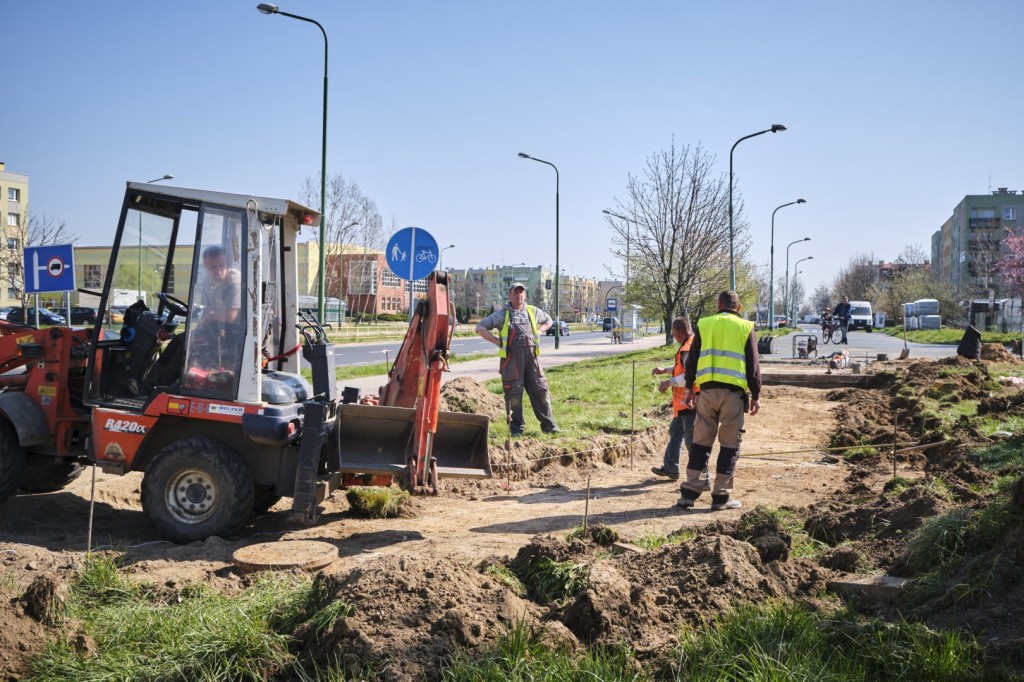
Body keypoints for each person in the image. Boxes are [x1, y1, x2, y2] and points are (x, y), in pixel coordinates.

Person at [678, 290, 762, 511]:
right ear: (739, 307)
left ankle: (689, 493)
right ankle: (720, 497)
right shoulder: (745, 327)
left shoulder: (704, 324)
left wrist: (688, 389)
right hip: (733, 395)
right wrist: (756, 395)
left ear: (718, 305)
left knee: (700, 443)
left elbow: (692, 361)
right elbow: (753, 365)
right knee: (729, 445)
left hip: (705, 392)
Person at [476, 282, 560, 437]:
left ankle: (549, 426)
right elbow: (480, 327)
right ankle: (516, 430)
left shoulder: (532, 311)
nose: (519, 295)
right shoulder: (502, 314)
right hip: (511, 362)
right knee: (513, 395)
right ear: (510, 295)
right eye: (515, 292)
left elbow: (549, 320)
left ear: (525, 295)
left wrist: (541, 330)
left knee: (541, 390)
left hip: (532, 361)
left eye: (521, 292)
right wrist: (496, 340)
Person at [650, 317, 708, 488]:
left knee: (693, 444)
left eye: (673, 334)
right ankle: (671, 468)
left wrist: (668, 382)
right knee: (675, 433)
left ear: (677, 331)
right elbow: (682, 367)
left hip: (689, 403)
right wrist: (666, 370)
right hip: (682, 405)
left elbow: (689, 376)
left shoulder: (688, 348)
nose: (674, 337)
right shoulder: (691, 343)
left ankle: (704, 479)